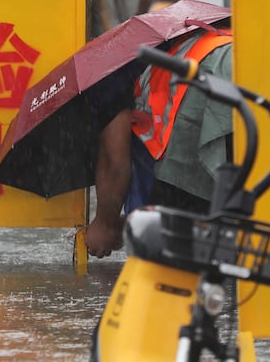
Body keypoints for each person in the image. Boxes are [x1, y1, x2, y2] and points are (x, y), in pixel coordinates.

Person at [84, 18, 234, 258]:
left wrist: (105, 224)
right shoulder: (167, 40)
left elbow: (115, 163)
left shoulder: (105, 75)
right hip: (239, 65)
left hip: (201, 95)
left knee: (173, 251)